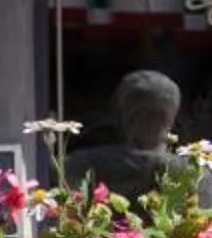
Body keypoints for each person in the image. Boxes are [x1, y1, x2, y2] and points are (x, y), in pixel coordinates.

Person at [76, 69, 194, 205]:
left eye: (157, 115)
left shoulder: (83, 164)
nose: (150, 123)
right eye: (141, 114)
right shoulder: (87, 164)